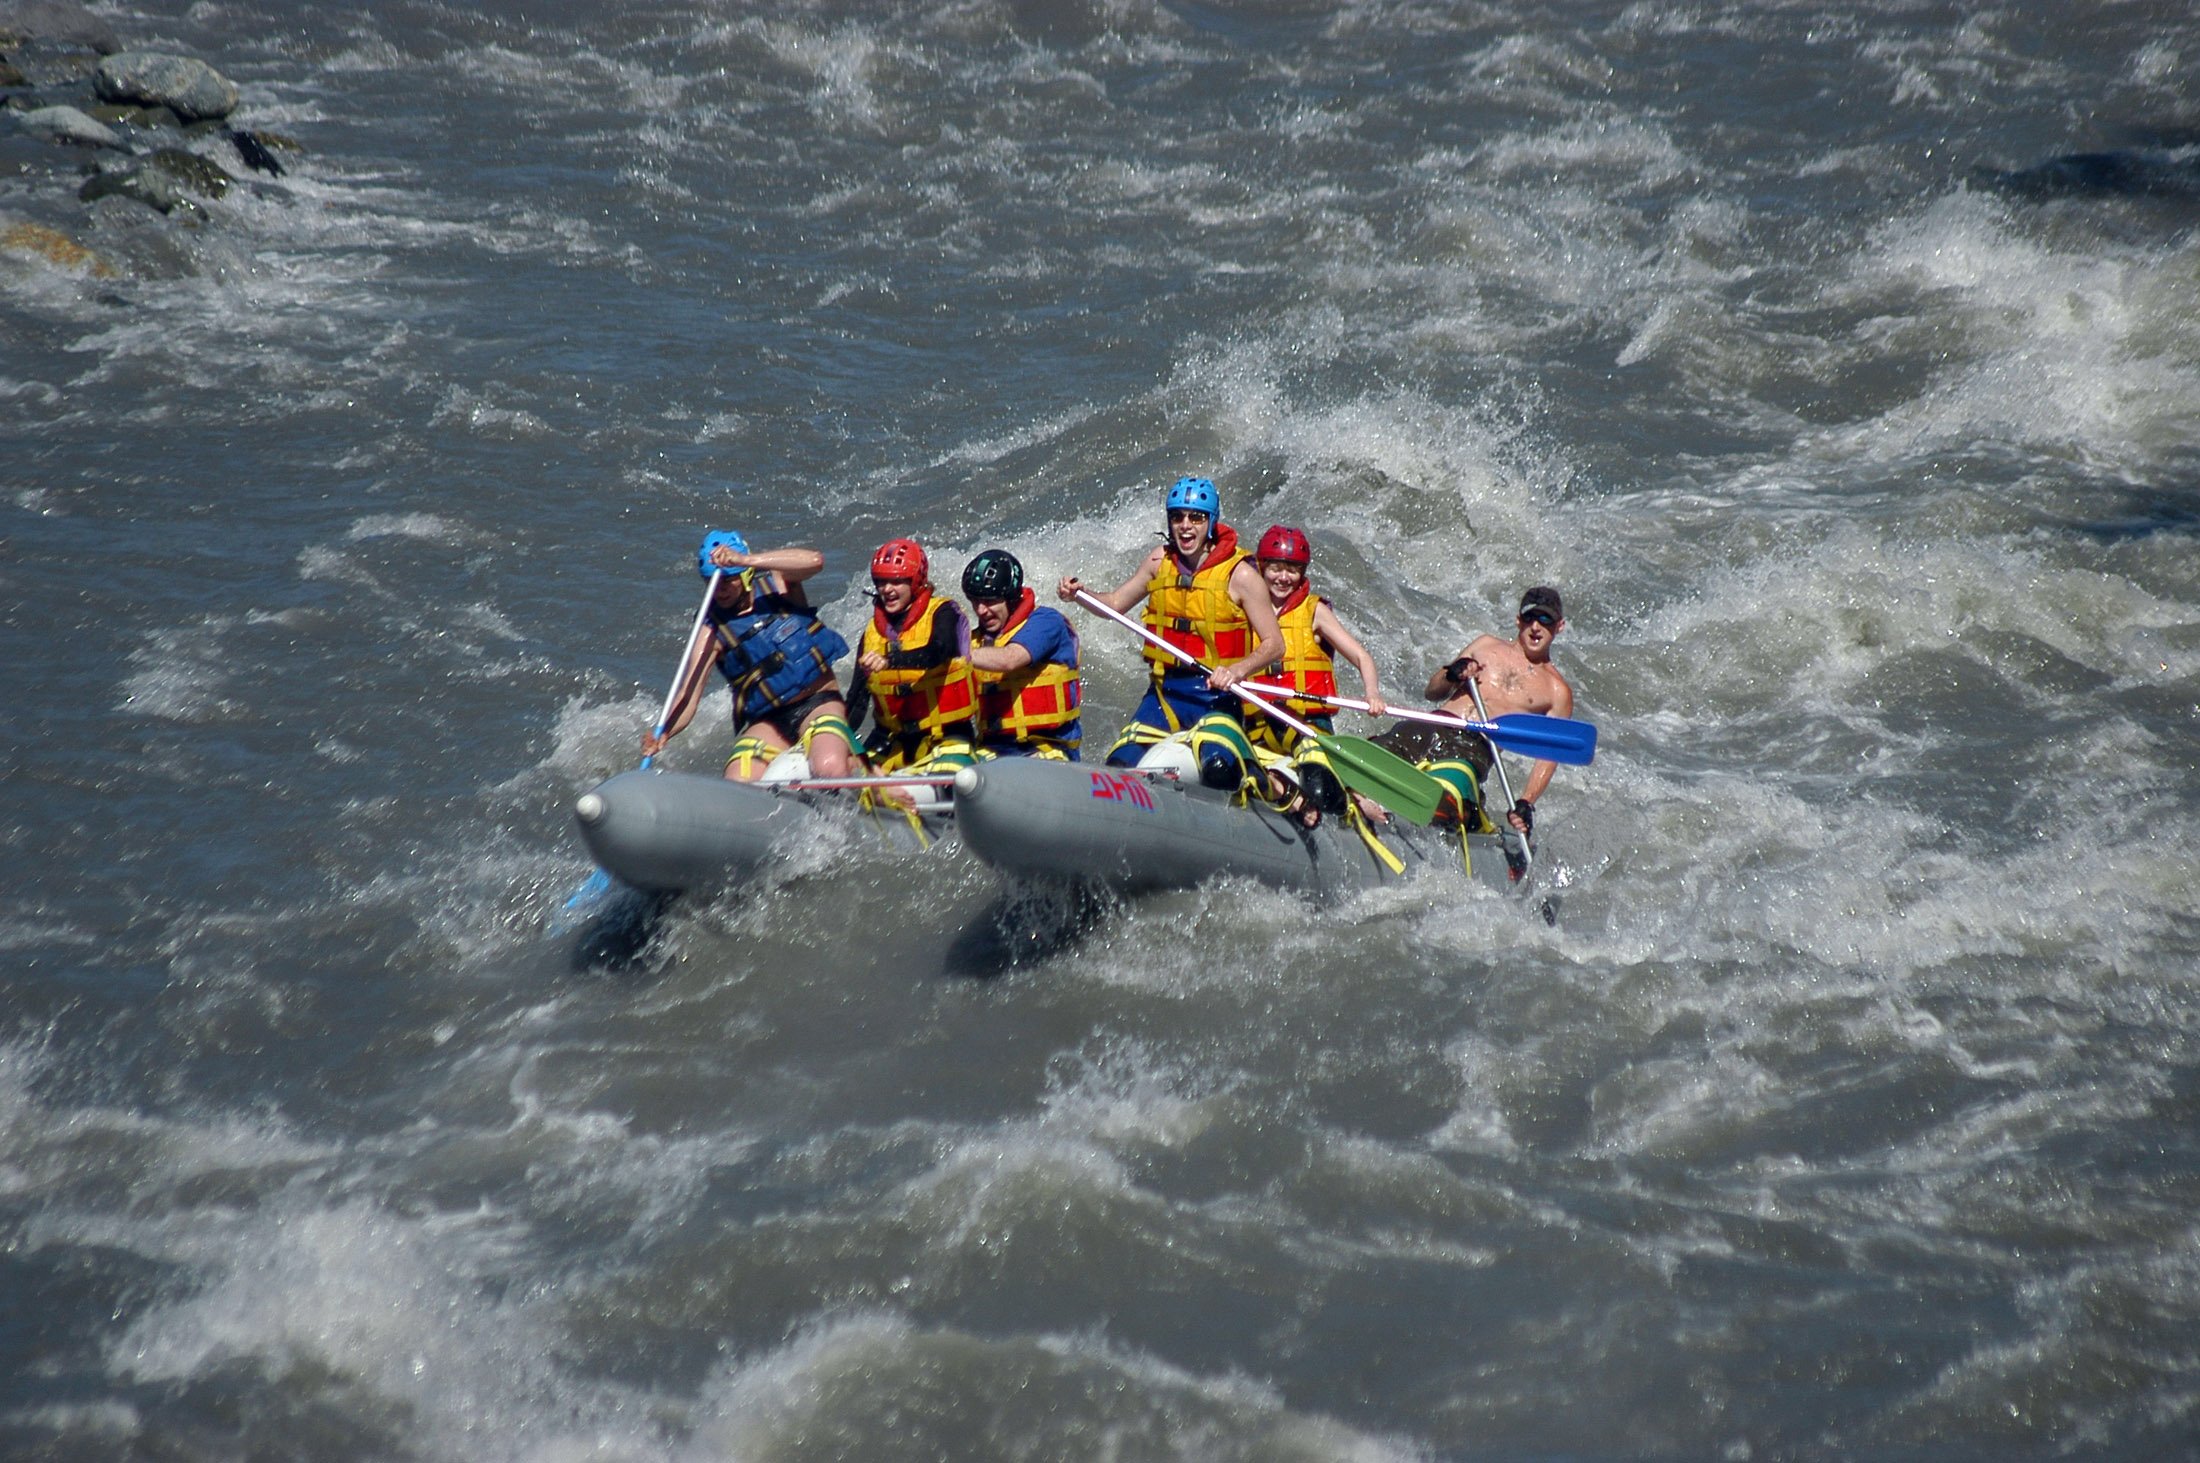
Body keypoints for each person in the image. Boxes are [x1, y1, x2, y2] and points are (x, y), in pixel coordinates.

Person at [1055, 475, 1283, 785]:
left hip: (1215, 698)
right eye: (1177, 517)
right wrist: (1081, 594)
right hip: (1165, 694)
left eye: (1196, 518)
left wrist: (1236, 670)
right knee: (1119, 764)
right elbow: (1115, 604)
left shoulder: (1240, 574)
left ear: (1211, 522)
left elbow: (1274, 644)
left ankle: (1263, 780)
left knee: (1218, 768)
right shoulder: (1158, 561)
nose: (1185, 525)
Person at [644, 530, 858, 781]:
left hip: (817, 702)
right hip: (769, 722)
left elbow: (814, 561)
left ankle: (860, 769)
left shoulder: (779, 585)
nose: (720, 590)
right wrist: (664, 732)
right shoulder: (710, 629)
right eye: (712, 582)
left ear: (745, 575)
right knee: (737, 782)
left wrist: (745, 560)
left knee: (828, 767)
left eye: (728, 580)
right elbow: (687, 696)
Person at [1373, 585, 1573, 833]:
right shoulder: (1485, 645)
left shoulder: (1556, 690)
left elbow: (1549, 753)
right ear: (1518, 620)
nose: (1536, 627)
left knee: (1443, 802)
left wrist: (1526, 802)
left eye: (1546, 620)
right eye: (1530, 617)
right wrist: (1452, 674)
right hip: (1430, 724)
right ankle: (1358, 804)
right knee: (1371, 757)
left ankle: (1437, 820)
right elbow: (1432, 691)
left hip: (1473, 748)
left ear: (1559, 626)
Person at [1237, 523, 1388, 816]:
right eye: (1276, 568)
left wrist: (1372, 694)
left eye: (1292, 570)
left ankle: (1350, 799)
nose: (1283, 577)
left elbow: (1361, 656)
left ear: (1303, 573)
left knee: (1319, 791)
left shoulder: (1314, 611)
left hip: (1306, 727)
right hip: (1257, 725)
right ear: (1262, 567)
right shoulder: (1245, 608)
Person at [847, 537, 979, 775]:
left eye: (896, 581)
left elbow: (938, 652)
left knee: (945, 779)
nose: (887, 590)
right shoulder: (871, 633)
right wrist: (840, 738)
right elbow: (857, 700)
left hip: (946, 737)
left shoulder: (944, 611)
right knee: (845, 771)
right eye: (881, 582)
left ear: (916, 580)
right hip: (891, 740)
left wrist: (890, 660)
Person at [962, 548, 1083, 760]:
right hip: (992, 752)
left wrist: (955, 652)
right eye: (975, 601)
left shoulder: (1047, 622)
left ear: (1010, 598)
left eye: (990, 601)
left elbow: (1010, 659)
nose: (981, 610)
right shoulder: (974, 642)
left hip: (1050, 750)